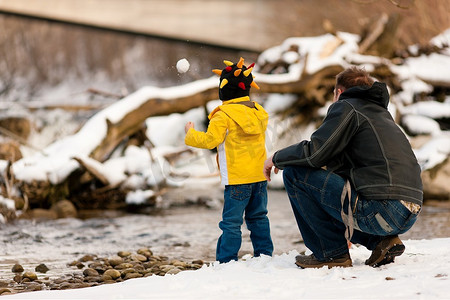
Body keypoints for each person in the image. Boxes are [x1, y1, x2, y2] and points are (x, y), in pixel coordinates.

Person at [263, 66, 423, 268]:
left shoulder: (347, 106)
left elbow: (315, 152)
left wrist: (277, 158)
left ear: (338, 92)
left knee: (296, 174)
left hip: (383, 210)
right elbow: (335, 170)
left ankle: (331, 253)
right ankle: (381, 241)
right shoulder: (382, 115)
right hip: (408, 212)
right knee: (334, 188)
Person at [185, 57, 273, 263]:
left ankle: (226, 261)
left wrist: (190, 134)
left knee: (232, 223)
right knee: (259, 218)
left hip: (236, 179)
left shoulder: (222, 115)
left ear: (224, 89)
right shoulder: (258, 112)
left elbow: (210, 141)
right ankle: (265, 256)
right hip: (259, 176)